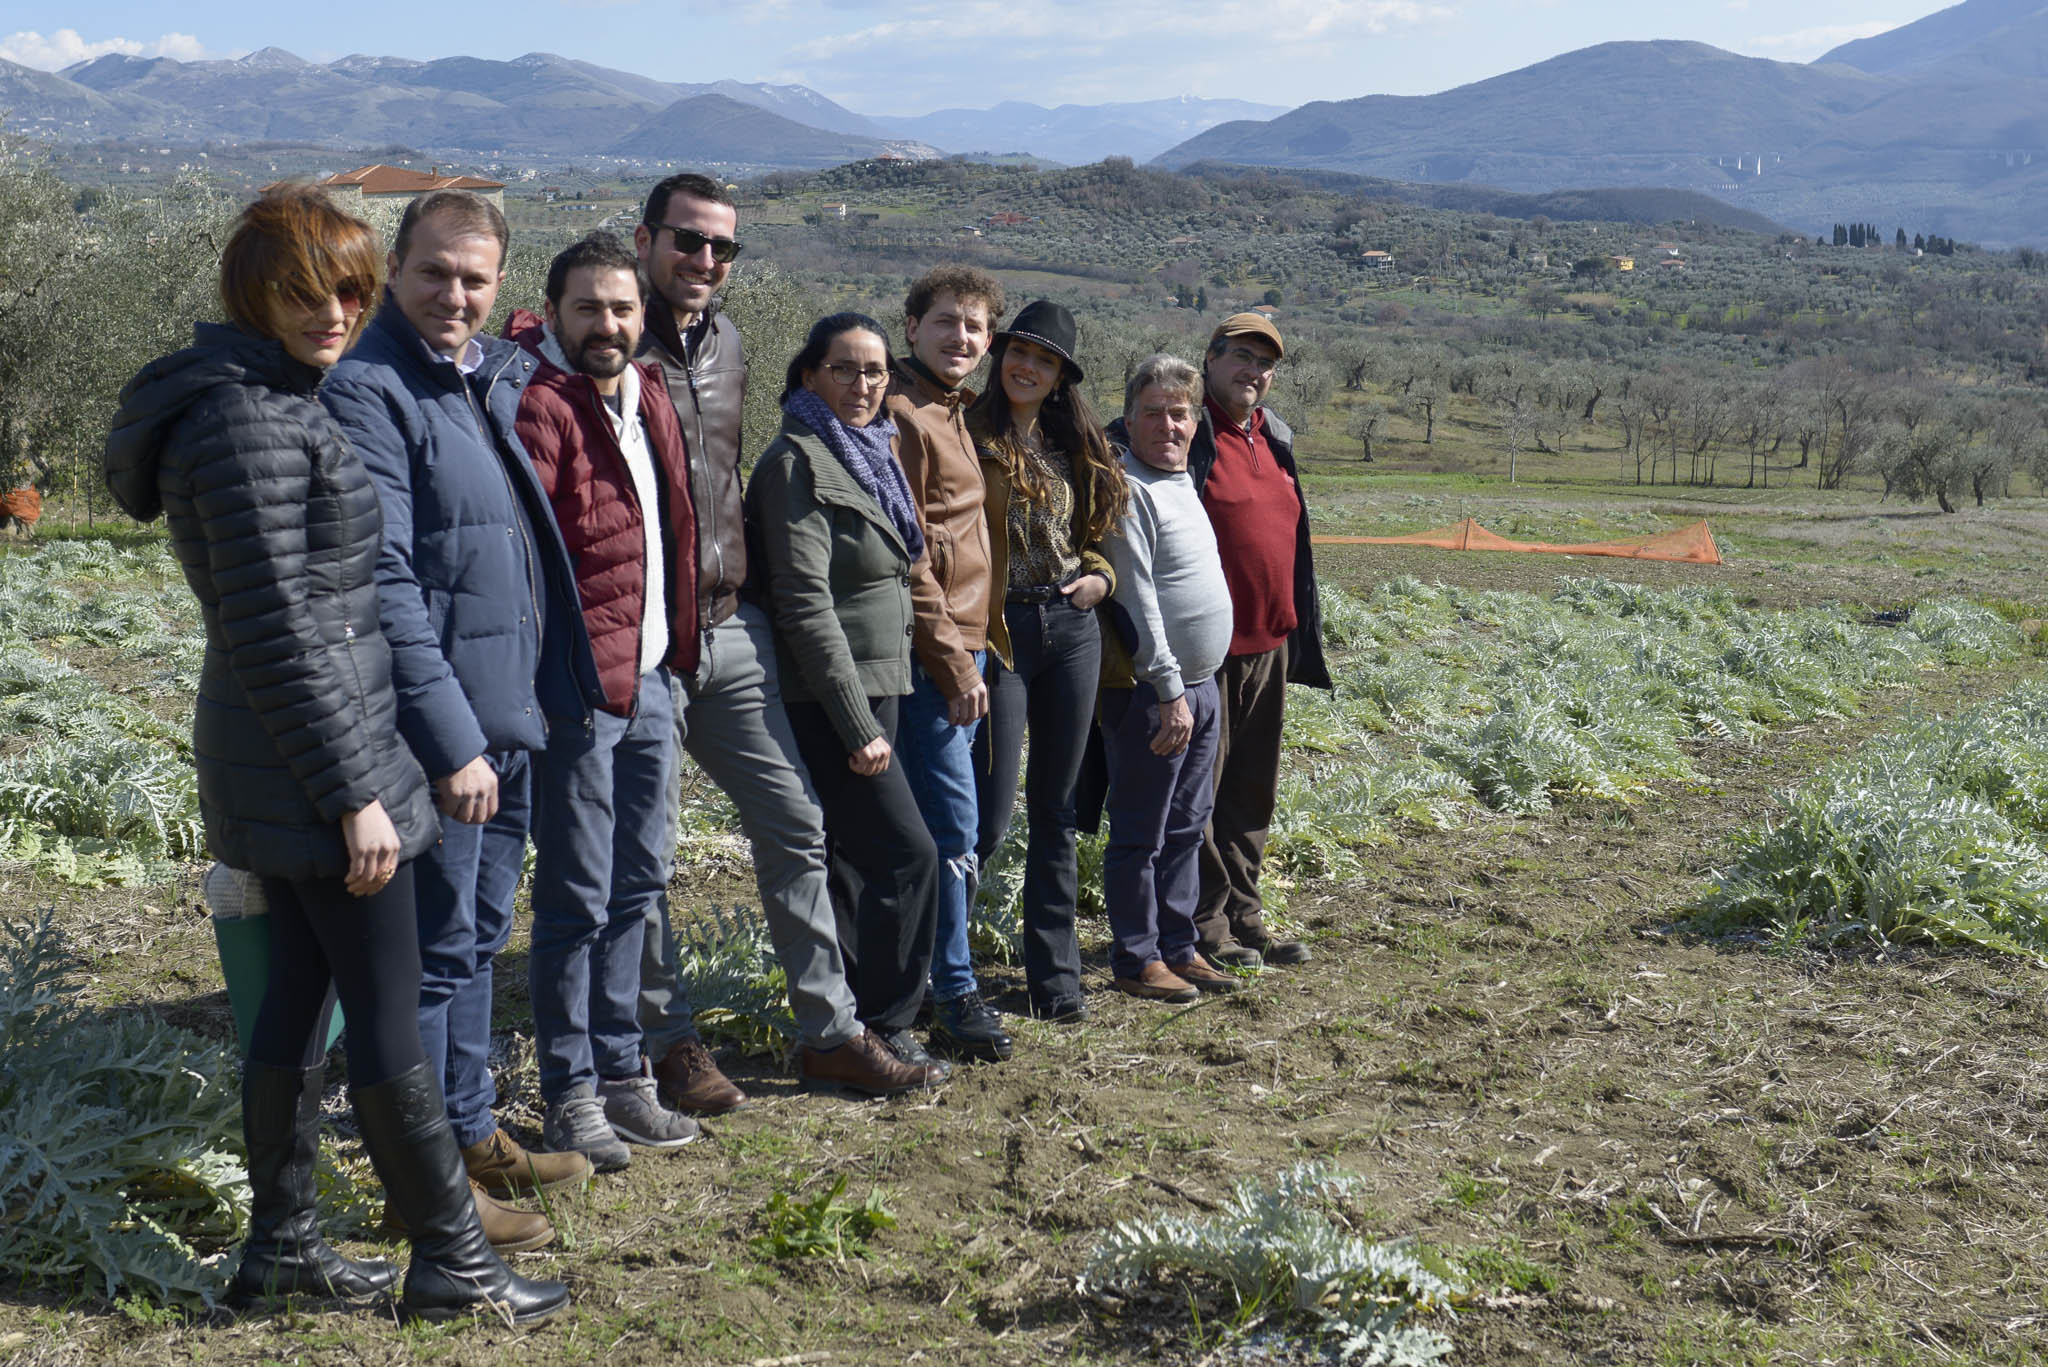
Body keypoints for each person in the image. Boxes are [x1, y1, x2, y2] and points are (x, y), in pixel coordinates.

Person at [103, 186, 566, 1324]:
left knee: (301, 998)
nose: (337, 310)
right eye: (310, 288)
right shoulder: (250, 419)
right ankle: (451, 1262)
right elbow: (278, 627)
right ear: (253, 291)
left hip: (296, 754)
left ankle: (283, 1246)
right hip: (318, 762)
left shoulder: (263, 396)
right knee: (387, 1008)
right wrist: (357, 791)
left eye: (351, 289)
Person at [322, 190, 591, 1247]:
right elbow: (384, 580)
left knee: (476, 938)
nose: (455, 294)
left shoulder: (464, 378)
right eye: (435, 272)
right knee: (433, 951)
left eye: (476, 279)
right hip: (447, 737)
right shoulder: (372, 390)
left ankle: (474, 1129)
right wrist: (452, 741)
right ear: (393, 268)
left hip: (502, 718)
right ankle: (427, 1183)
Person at [635, 176, 923, 1100]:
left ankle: (829, 1030)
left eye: (724, 248)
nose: (707, 262)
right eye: (690, 242)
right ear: (647, 238)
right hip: (642, 642)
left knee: (797, 825)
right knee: (646, 852)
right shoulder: (604, 334)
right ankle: (667, 1039)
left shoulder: (725, 343)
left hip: (728, 626)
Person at [503, 232, 704, 1170]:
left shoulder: (649, 391)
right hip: (584, 693)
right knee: (577, 895)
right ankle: (571, 1088)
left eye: (621, 307)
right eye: (588, 307)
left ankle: (624, 1073)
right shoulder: (542, 407)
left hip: (655, 678)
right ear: (555, 310)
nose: (607, 324)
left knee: (639, 884)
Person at [745, 313, 949, 1091]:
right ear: (808, 377)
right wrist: (857, 724)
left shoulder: (869, 454)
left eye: (874, 371)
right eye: (845, 369)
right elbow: (803, 603)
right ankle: (889, 1025)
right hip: (836, 697)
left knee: (859, 864)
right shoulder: (798, 461)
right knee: (910, 854)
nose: (863, 384)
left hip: (882, 679)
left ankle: (852, 1029)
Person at [966, 300, 1126, 1023]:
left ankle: (1054, 979)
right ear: (1000, 356)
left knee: (1058, 812)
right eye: (1018, 352)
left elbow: (1095, 534)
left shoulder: (1074, 444)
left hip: (1070, 628)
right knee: (986, 819)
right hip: (997, 635)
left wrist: (1100, 578)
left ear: (1061, 377)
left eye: (1045, 360)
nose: (1027, 366)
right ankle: (947, 973)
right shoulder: (967, 431)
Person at [883, 266, 1009, 1061]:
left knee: (957, 824)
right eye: (947, 323)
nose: (961, 337)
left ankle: (937, 975)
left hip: (970, 647)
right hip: (939, 656)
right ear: (912, 327)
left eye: (974, 327)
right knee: (953, 826)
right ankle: (951, 987)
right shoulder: (904, 414)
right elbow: (908, 550)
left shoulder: (952, 410)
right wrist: (954, 663)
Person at [1186, 314, 1331, 968]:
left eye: (1265, 363)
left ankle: (1247, 917)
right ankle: (1203, 925)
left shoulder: (1274, 437)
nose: (1254, 372)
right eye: (1241, 356)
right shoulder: (1186, 435)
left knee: (1250, 792)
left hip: (1269, 644)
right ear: (1211, 359)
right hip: (1206, 650)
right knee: (1199, 792)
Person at [1096, 354, 1241, 1003]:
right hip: (1158, 694)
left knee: (1186, 825)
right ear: (1130, 420)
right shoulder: (1129, 485)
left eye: (1177, 412)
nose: (1166, 424)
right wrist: (1169, 687)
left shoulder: (1182, 478)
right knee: (1142, 831)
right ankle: (1136, 956)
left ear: (1194, 419)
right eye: (1151, 413)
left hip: (1201, 685)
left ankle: (1180, 946)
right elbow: (1139, 597)